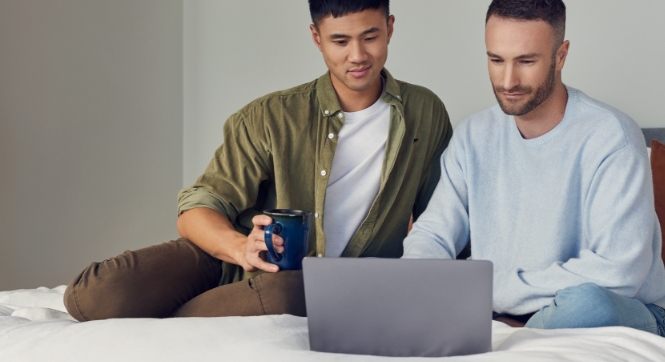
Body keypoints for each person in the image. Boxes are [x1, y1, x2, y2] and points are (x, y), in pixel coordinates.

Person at [63, 0, 453, 321]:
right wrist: (239, 248)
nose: (358, 55)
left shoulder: (424, 112)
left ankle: (174, 319)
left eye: (371, 36)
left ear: (390, 27)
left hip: (310, 285)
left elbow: (441, 220)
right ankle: (209, 305)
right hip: (227, 260)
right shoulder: (271, 116)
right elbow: (197, 208)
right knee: (97, 296)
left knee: (290, 294)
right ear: (317, 39)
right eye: (340, 41)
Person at [402, 0, 665, 336]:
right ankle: (509, 330)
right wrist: (417, 281)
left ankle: (512, 331)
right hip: (500, 308)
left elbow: (618, 273)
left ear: (560, 56)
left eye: (526, 61)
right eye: (496, 60)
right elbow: (433, 234)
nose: (508, 80)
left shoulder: (612, 137)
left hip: (619, 309)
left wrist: (488, 291)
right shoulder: (473, 135)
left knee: (589, 304)